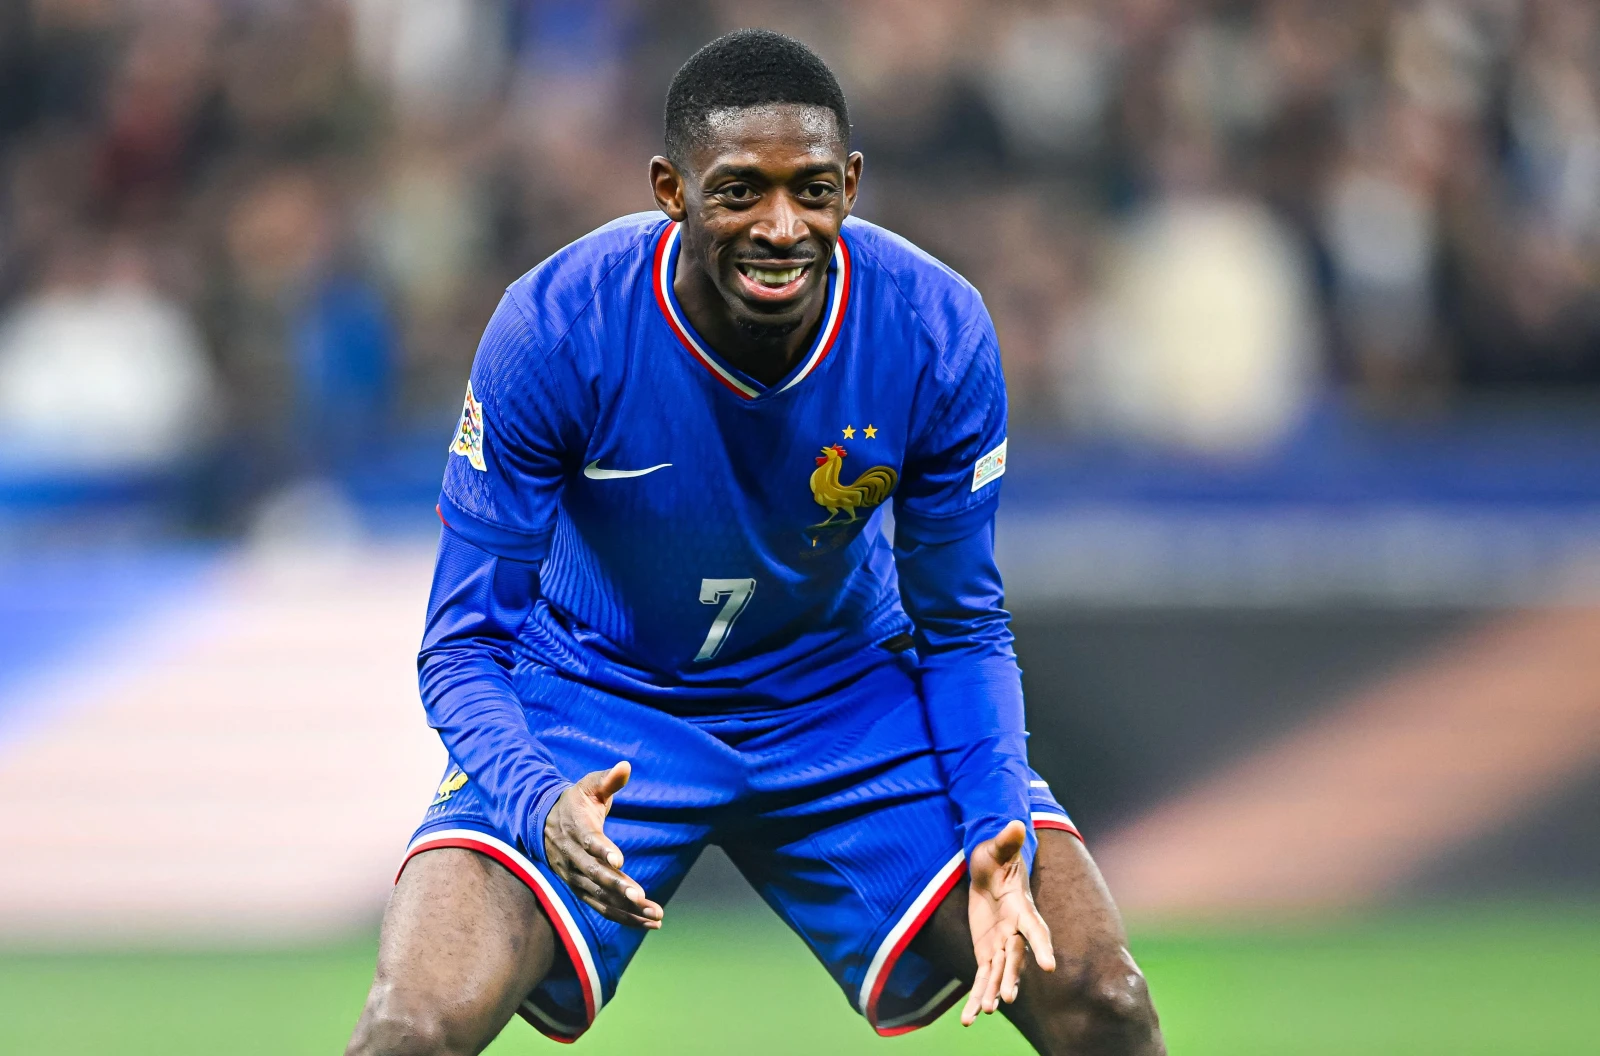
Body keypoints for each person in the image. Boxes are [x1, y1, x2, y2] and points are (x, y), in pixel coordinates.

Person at [347, 30, 1163, 1056]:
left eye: (813, 190)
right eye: (739, 191)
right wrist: (535, 797)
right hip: (597, 698)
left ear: (852, 185)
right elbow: (460, 646)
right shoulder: (555, 329)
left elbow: (961, 626)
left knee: (1103, 1000)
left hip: (843, 697)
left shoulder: (935, 329)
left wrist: (995, 816)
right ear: (668, 189)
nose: (781, 226)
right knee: (409, 1029)